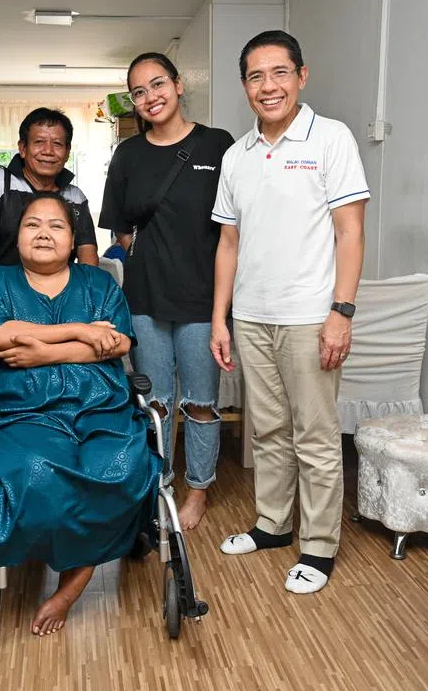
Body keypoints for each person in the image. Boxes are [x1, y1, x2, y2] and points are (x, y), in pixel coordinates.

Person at [210, 30, 369, 595]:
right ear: (245, 86)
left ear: (302, 75)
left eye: (280, 72)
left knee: (316, 437)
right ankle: (273, 525)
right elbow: (228, 243)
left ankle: (319, 546)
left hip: (310, 316)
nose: (268, 86)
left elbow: (350, 232)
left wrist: (341, 312)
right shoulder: (237, 156)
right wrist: (220, 318)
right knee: (269, 429)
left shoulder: (331, 138)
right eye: (256, 76)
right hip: (252, 316)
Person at [0, 192, 161, 637]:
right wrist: (82, 331)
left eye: (56, 226)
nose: (44, 233)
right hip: (22, 409)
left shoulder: (98, 284)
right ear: (17, 236)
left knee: (121, 467)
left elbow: (119, 343)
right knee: (35, 472)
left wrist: (43, 352)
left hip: (101, 405)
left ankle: (72, 586)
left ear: (72, 239)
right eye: (32, 225)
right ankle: (73, 563)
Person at [99, 52, 234, 531]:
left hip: (202, 301)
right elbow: (121, 230)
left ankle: (198, 489)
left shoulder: (217, 144)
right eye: (138, 92)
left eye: (157, 84)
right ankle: (161, 484)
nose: (150, 97)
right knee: (153, 403)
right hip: (146, 298)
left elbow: (232, 228)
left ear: (178, 85)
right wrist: (154, 259)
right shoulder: (129, 154)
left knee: (200, 402)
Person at [0, 108, 99, 296]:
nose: (48, 151)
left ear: (67, 153)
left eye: (57, 144)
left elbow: (87, 251)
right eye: (39, 142)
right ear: (23, 148)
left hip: (57, 298)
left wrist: (89, 299)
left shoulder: (75, 196)